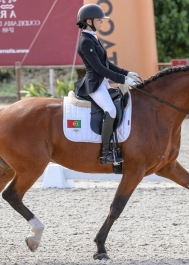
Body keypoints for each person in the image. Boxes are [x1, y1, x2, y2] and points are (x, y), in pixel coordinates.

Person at [74, 3, 139, 165]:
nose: (102, 22)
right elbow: (98, 68)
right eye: (99, 20)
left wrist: (126, 73)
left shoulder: (93, 38)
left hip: (103, 83)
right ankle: (105, 152)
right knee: (110, 110)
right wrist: (122, 80)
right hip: (94, 85)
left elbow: (107, 64)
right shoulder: (85, 41)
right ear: (88, 21)